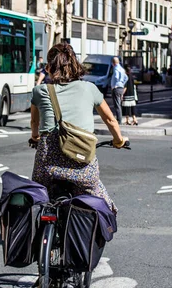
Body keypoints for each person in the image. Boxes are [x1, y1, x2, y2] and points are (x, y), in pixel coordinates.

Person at [29, 43, 126, 214]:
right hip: (82, 167)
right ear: (75, 66)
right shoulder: (90, 89)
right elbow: (111, 120)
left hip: (47, 166)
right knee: (102, 205)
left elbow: (34, 123)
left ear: (49, 68)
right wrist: (119, 141)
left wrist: (35, 137)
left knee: (38, 200)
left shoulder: (40, 91)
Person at [109, 56, 128, 124]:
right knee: (119, 104)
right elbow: (126, 77)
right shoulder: (122, 69)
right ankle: (119, 119)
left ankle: (119, 120)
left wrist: (115, 85)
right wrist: (122, 83)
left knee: (117, 104)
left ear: (113, 63)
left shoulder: (116, 68)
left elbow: (116, 76)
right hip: (121, 88)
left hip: (116, 88)